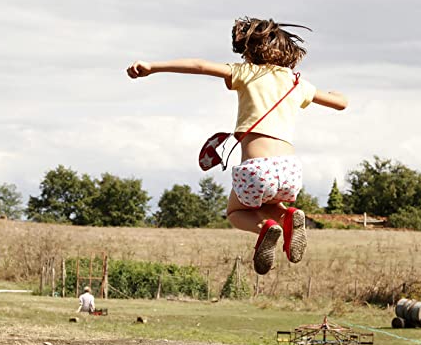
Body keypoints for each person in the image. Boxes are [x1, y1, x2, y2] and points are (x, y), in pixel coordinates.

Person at [126, 17, 348, 274]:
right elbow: (340, 102)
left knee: (234, 211)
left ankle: (265, 228)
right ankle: (287, 216)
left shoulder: (247, 72)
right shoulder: (297, 83)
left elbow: (199, 65)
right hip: (290, 172)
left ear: (250, 50)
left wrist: (152, 66)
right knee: (270, 204)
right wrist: (337, 93)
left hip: (256, 170)